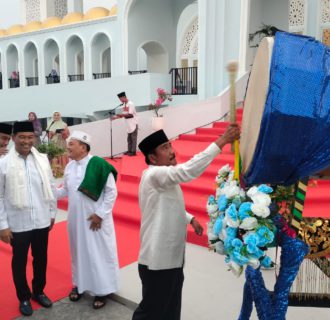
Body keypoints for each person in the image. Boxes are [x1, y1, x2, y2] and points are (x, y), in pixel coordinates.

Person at [132, 124, 240, 320]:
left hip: (171, 258)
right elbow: (188, 170)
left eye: (169, 145)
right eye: (164, 148)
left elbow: (167, 205)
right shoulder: (155, 174)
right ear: (153, 158)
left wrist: (190, 218)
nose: (172, 151)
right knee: (151, 313)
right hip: (157, 261)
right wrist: (222, 141)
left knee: (170, 310)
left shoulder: (162, 178)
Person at [57, 131, 119, 309]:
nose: (67, 147)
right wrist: (48, 191)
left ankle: (102, 290)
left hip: (96, 219)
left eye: (71, 144)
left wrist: (100, 214)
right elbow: (65, 191)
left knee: (98, 254)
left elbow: (111, 192)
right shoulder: (69, 167)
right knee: (78, 252)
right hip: (75, 219)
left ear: (83, 147)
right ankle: (79, 284)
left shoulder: (98, 164)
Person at [0, 121, 57, 317]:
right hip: (18, 223)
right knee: (20, 261)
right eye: (22, 137)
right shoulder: (3, 163)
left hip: (41, 220)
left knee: (41, 259)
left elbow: (50, 186)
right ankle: (23, 297)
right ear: (14, 138)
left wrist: (52, 213)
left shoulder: (41, 159)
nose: (26, 141)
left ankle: (38, 291)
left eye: (29, 137)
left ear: (34, 138)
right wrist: (3, 226)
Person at [114, 91, 138, 156]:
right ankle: (129, 150)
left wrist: (121, 115)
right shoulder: (124, 104)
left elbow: (130, 115)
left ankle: (133, 152)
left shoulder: (131, 104)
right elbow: (124, 114)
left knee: (133, 139)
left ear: (124, 97)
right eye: (120, 99)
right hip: (128, 125)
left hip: (133, 123)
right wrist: (116, 117)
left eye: (121, 99)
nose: (120, 100)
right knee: (129, 139)